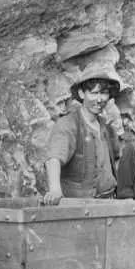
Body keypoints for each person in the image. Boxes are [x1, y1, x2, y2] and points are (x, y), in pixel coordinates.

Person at [43, 68, 122, 204]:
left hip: (108, 202)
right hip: (79, 206)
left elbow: (116, 160)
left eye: (104, 93)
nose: (99, 99)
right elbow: (54, 159)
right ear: (81, 93)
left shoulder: (107, 128)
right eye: (94, 93)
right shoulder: (68, 124)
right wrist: (55, 189)